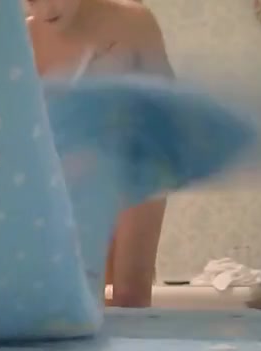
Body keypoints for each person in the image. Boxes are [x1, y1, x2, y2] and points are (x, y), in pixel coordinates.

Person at [26, 0, 174, 308]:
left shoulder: (133, 21)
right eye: (32, 0)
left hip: (137, 167)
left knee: (130, 293)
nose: (46, 10)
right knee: (76, 295)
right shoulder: (25, 35)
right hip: (68, 174)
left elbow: (168, 108)